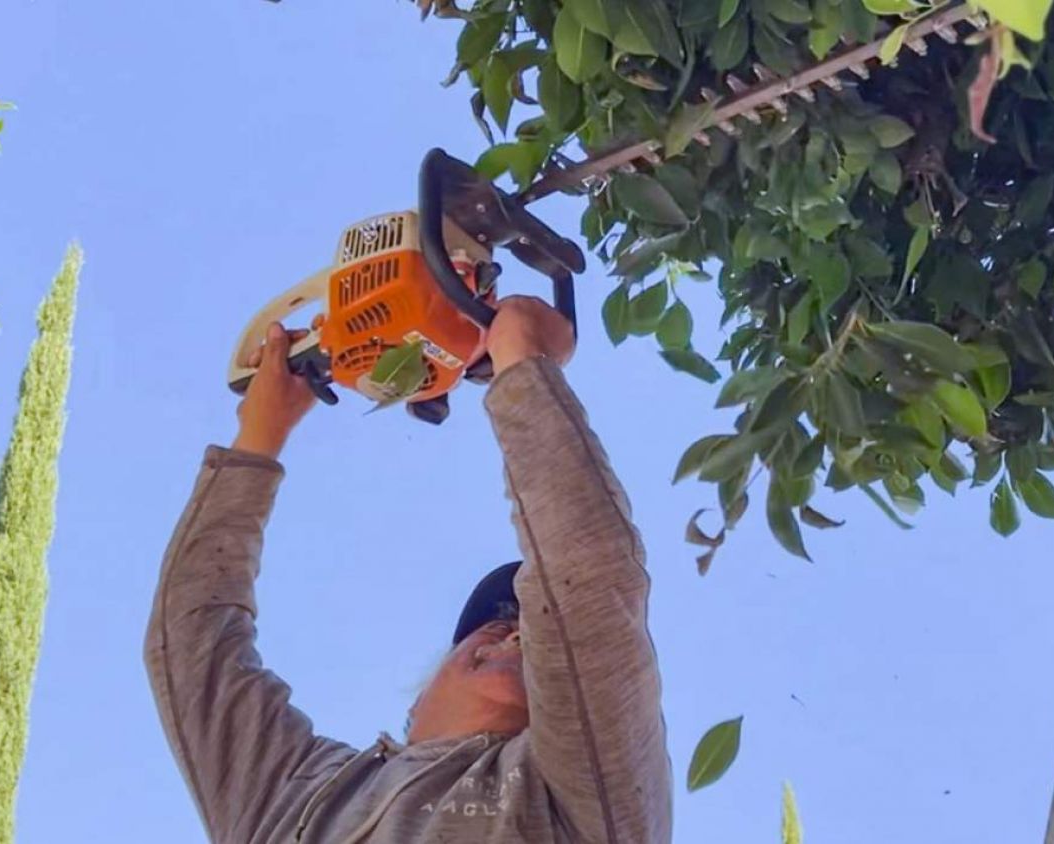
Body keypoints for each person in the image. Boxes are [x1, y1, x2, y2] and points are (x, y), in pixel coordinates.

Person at [144, 296, 673, 843]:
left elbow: (584, 579)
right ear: (415, 706)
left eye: (535, 634)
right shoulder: (293, 792)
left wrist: (519, 359)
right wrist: (258, 436)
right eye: (500, 625)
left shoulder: (584, 794)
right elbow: (189, 642)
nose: (517, 631)